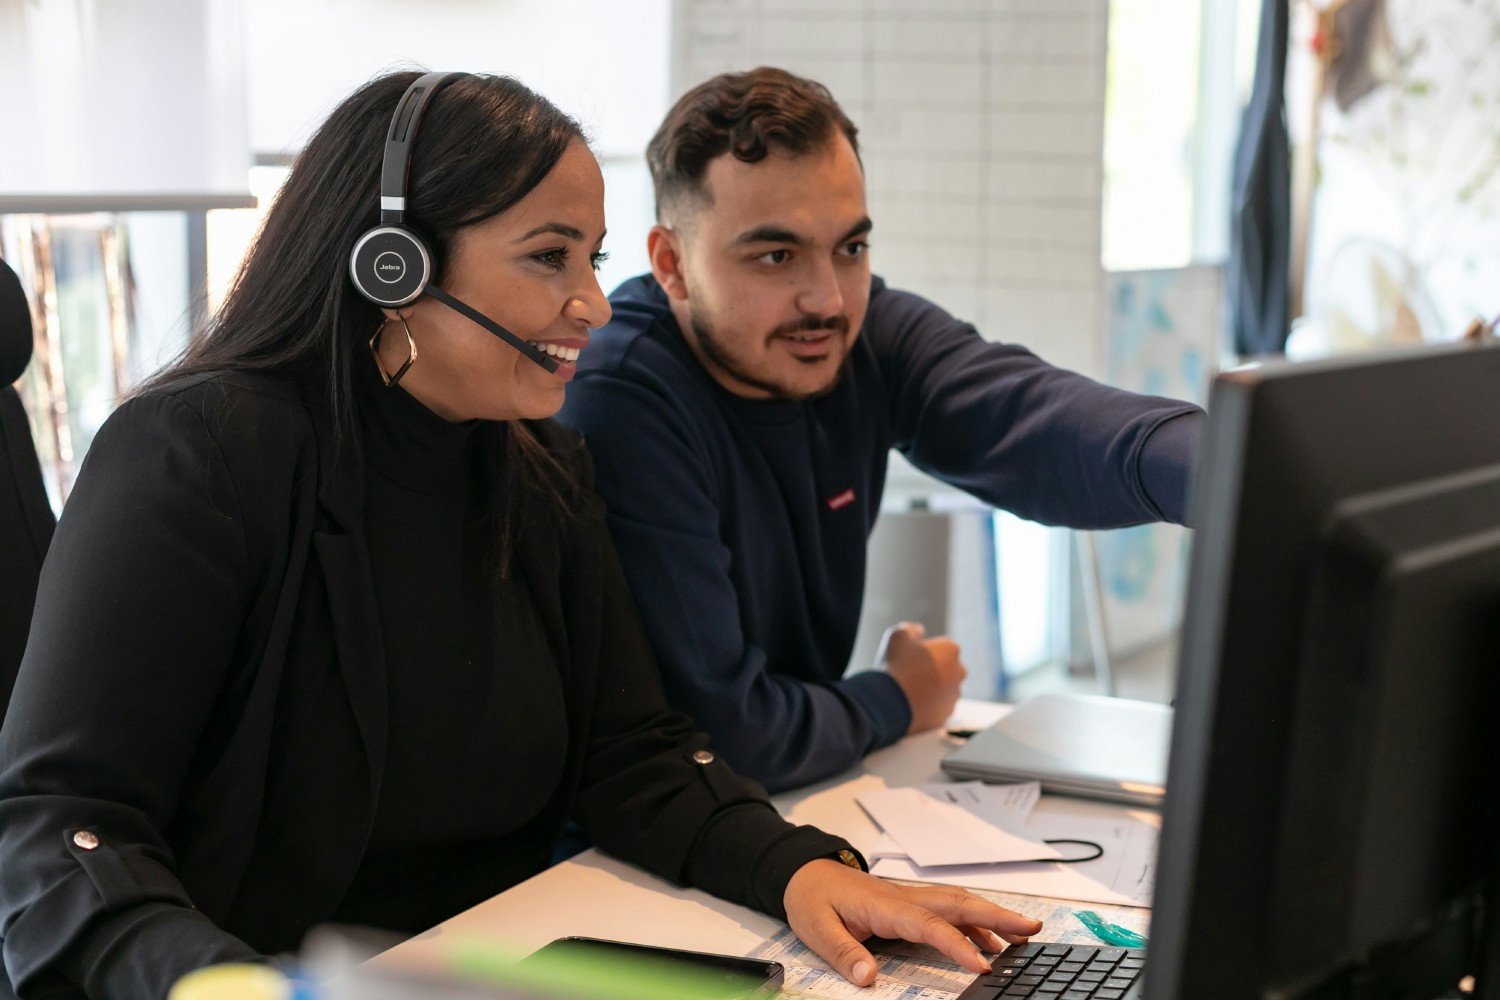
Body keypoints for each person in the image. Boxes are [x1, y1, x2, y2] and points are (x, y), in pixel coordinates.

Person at [0, 71, 1044, 1000]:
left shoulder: (538, 468)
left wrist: (798, 869)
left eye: (590, 258)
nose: (591, 302)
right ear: (395, 264)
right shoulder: (198, 457)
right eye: (549, 258)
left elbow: (631, 751)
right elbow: (59, 821)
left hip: (495, 962)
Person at [556, 67, 1206, 792]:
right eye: (776, 256)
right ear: (672, 264)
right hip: (615, 855)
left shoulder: (858, 336)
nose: (827, 298)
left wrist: (1222, 471)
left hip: (777, 812)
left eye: (850, 248)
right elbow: (726, 733)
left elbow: (1034, 419)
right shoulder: (622, 393)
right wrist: (896, 697)